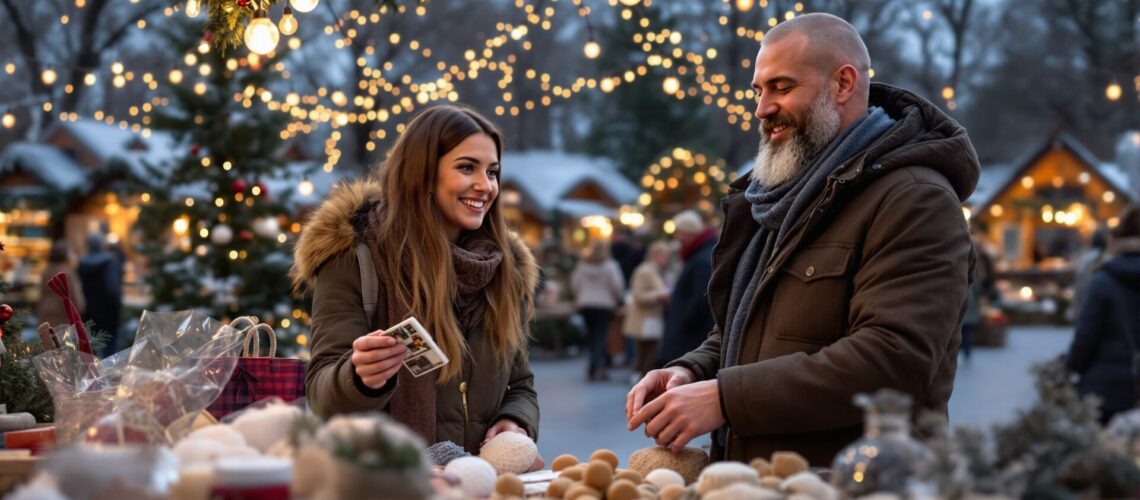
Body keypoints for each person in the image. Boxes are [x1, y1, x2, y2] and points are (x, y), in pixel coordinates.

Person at [626, 13, 978, 466]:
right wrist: (691, 370)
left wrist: (725, 399)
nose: (762, 108)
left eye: (782, 87)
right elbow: (748, 329)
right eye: (758, 90)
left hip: (857, 484)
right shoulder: (781, 194)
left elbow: (894, 359)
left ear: (843, 84)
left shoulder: (914, 198)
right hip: (760, 482)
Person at [292, 105, 540, 456]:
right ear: (422, 173)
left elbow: (520, 384)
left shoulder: (503, 271)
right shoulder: (355, 258)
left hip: (483, 484)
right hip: (389, 482)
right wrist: (360, 376)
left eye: (493, 172)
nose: (485, 186)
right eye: (467, 167)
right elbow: (321, 394)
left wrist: (516, 419)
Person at [1066, 205, 1140, 425]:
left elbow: (1086, 336)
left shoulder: (1103, 280)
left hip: (1106, 390)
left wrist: (1073, 366)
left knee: (1106, 457)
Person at [657, 210, 718, 368]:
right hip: (688, 335)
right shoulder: (698, 255)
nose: (677, 237)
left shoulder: (701, 259)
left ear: (688, 233)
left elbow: (701, 299)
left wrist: (683, 321)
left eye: (679, 233)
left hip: (689, 338)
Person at [570, 240, 625, 381]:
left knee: (591, 336)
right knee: (601, 336)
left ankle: (592, 366)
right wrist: (616, 300)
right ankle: (599, 367)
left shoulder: (582, 265)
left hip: (586, 304)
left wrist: (580, 296)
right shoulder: (611, 266)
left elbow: (575, 283)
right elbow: (617, 286)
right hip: (605, 305)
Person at [622, 240, 672, 381]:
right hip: (644, 318)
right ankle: (642, 379)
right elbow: (638, 295)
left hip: (651, 317)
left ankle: (643, 378)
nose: (666, 259)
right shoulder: (645, 271)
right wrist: (660, 295)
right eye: (664, 256)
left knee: (649, 350)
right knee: (646, 351)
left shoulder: (655, 271)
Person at [77, 232, 123, 357]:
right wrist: (118, 308)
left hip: (88, 313)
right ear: (102, 245)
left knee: (90, 354)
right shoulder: (110, 262)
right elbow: (113, 290)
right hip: (108, 313)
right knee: (110, 354)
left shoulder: (81, 263)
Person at [35, 239, 86, 328]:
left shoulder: (46, 271)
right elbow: (78, 303)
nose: (75, 256)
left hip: (45, 317)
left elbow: (40, 294)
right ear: (66, 256)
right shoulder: (68, 273)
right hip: (64, 320)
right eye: (72, 253)